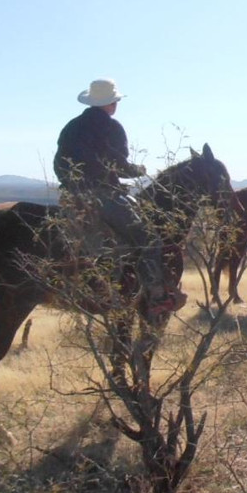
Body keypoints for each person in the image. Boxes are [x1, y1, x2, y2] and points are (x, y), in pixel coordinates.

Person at [53, 78, 179, 318]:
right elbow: (119, 167)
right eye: (115, 101)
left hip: (71, 194)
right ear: (111, 103)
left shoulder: (71, 126)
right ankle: (157, 296)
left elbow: (58, 164)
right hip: (103, 196)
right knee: (148, 239)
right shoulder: (111, 128)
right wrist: (138, 171)